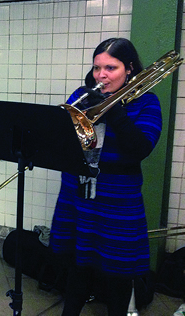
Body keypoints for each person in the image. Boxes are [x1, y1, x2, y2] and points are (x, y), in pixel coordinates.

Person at [50, 38, 162, 315]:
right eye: (97, 67)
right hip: (78, 192)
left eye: (111, 67)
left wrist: (114, 112)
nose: (101, 75)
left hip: (117, 198)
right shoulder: (82, 94)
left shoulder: (147, 101)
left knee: (119, 272)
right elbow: (60, 138)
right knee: (77, 263)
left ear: (129, 68)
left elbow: (141, 148)